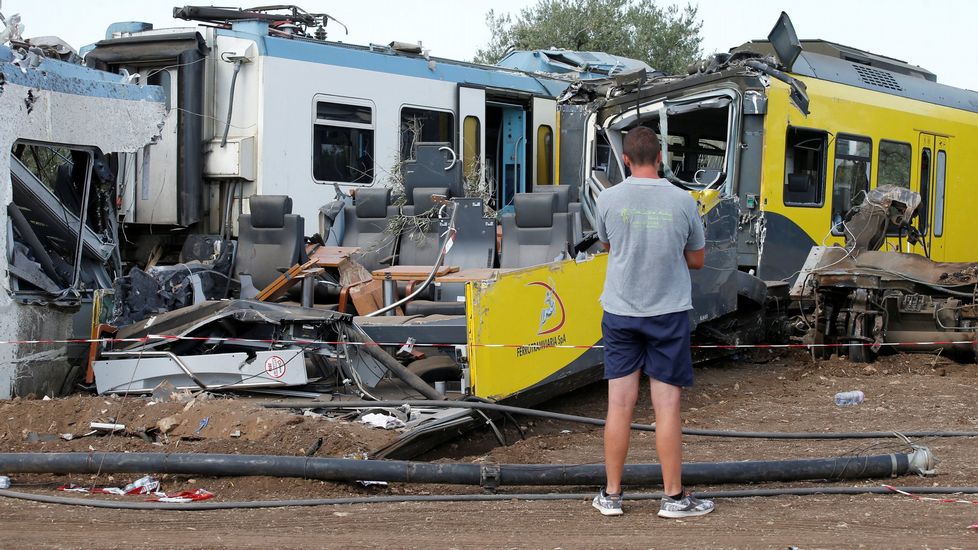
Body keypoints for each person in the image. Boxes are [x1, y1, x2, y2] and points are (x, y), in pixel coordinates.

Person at [590, 126, 713, 518]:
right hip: (667, 313)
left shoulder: (607, 198)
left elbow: (608, 245)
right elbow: (697, 260)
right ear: (660, 158)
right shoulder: (683, 201)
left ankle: (611, 496)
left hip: (621, 312)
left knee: (619, 405)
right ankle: (673, 498)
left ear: (626, 160)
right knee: (667, 407)